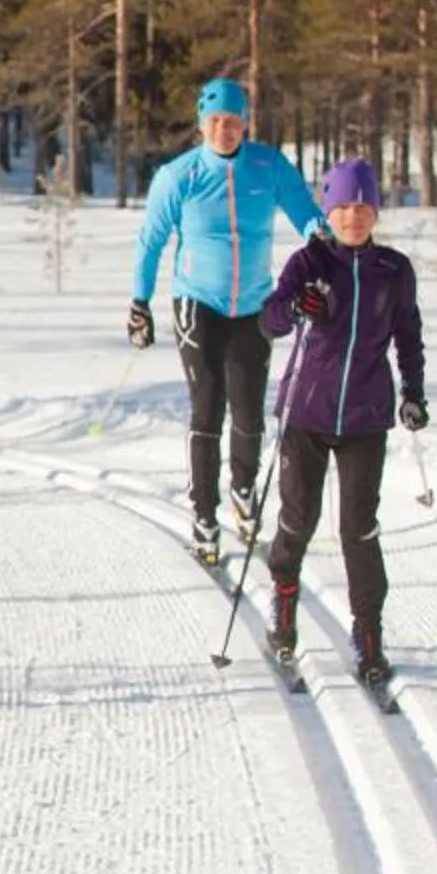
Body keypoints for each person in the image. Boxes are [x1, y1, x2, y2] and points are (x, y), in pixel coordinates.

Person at [126, 78, 327, 564]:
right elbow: (151, 241)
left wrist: (322, 241)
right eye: (216, 122)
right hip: (199, 304)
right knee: (208, 407)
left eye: (233, 121)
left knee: (250, 411)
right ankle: (203, 514)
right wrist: (140, 303)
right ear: (201, 124)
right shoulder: (180, 176)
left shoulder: (269, 165)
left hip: (254, 305)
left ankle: (241, 487)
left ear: (245, 123)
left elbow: (304, 213)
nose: (225, 130)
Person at [257, 156, 427, 689]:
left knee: (359, 528)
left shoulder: (394, 271)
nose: (353, 215)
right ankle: (283, 605)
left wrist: (414, 394)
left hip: (365, 417)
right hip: (307, 412)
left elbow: (408, 337)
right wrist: (296, 307)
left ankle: (369, 634)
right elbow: (270, 318)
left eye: (362, 205)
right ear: (328, 210)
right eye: (343, 206)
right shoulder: (310, 262)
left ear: (375, 210)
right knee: (297, 519)